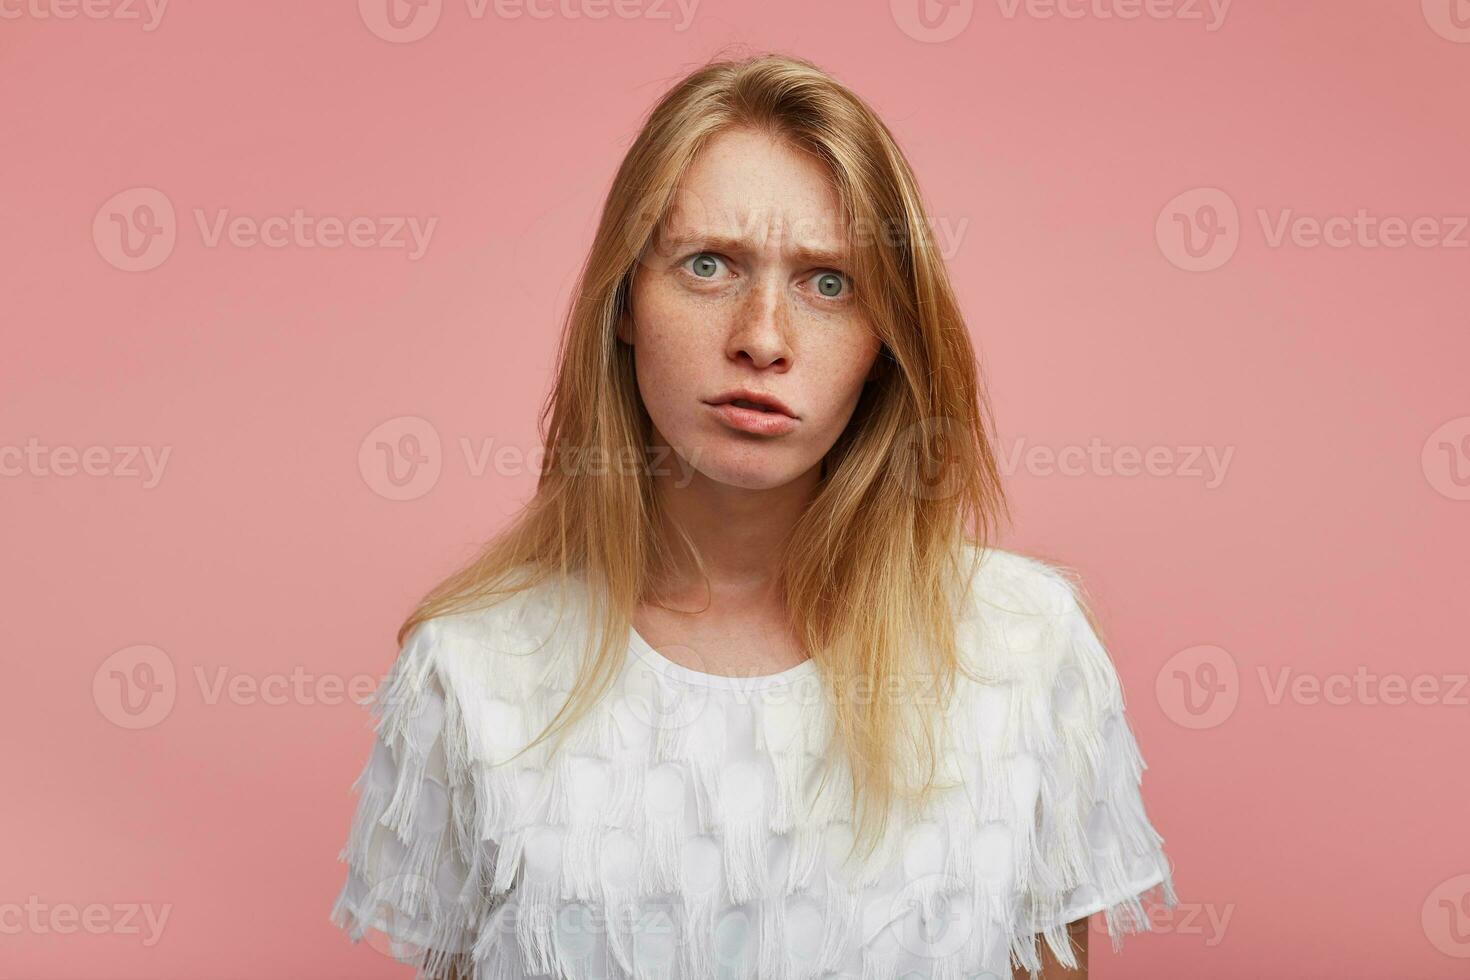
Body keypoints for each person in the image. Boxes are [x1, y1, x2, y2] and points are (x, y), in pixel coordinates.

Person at [329, 51, 1178, 980]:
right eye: (707, 265)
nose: (762, 338)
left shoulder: (1022, 649)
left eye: (828, 283)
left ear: (885, 339)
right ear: (624, 303)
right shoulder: (475, 670)